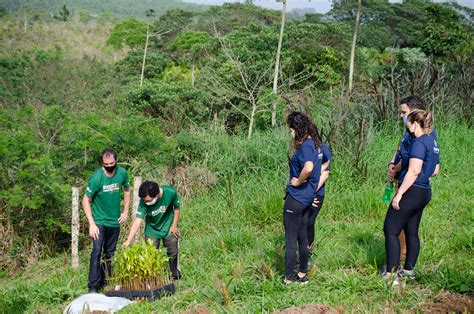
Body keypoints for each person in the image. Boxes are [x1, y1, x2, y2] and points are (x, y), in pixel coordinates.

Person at [384, 110, 440, 285]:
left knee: (390, 229)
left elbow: (414, 170)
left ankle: (390, 275)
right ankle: (408, 271)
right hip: (424, 191)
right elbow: (435, 169)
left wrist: (399, 194)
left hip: (412, 190)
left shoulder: (418, 142)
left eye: (408, 122)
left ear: (416, 124)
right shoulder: (432, 142)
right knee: (411, 231)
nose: (406, 125)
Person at [83, 148, 131, 293]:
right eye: (106, 164)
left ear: (116, 161)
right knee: (97, 251)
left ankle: (106, 282)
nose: (109, 166)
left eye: (112, 163)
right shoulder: (96, 178)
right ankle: (93, 286)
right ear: (102, 163)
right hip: (99, 221)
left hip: (114, 221)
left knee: (110, 253)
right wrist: (91, 223)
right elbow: (85, 200)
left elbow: (127, 190)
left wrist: (125, 211)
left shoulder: (122, 173)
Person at [283, 112, 322, 285]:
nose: (290, 132)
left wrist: (298, 181)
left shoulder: (306, 146)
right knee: (303, 238)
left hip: (296, 198)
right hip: (306, 198)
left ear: (296, 128)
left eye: (291, 129)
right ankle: (302, 274)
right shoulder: (314, 144)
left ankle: (289, 278)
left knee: (291, 240)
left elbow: (308, 167)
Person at [123, 181, 182, 280]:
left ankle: (175, 277)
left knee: (173, 253)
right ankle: (154, 280)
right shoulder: (143, 201)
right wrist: (129, 240)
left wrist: (174, 226)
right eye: (145, 201)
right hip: (152, 230)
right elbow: (137, 221)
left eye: (148, 200)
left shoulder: (170, 192)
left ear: (157, 194)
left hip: (168, 227)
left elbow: (176, 208)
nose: (146, 203)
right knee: (151, 256)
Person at [307, 142, 331, 262]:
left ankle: (308, 252)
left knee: (309, 222)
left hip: (316, 193)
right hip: (301, 193)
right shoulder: (301, 147)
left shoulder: (323, 149)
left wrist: (311, 192)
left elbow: (326, 173)